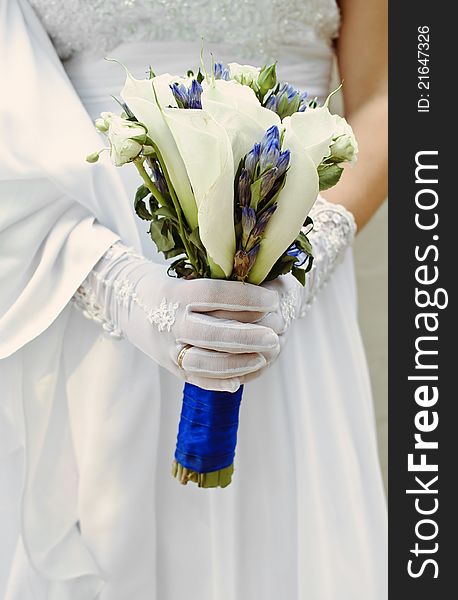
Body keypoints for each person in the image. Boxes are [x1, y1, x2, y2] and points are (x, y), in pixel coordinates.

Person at [0, 0, 388, 598]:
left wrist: (311, 253)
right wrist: (122, 288)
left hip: (293, 279)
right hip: (87, 274)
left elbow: (401, 90)